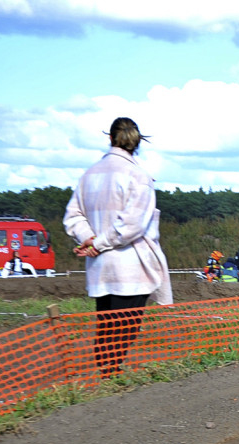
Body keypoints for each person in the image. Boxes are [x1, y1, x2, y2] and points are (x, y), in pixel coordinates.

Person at [63, 116, 172, 377]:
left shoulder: (88, 175)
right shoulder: (139, 176)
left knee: (106, 326)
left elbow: (73, 216)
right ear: (137, 142)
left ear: (110, 138)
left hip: (100, 269)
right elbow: (131, 226)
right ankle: (110, 376)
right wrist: (98, 243)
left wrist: (89, 240)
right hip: (130, 266)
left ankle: (108, 375)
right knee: (125, 329)